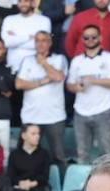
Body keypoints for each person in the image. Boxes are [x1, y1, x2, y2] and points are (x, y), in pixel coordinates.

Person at [67, 22, 110, 166]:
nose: (90, 40)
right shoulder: (77, 61)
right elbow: (69, 85)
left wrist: (94, 80)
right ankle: (84, 186)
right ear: (82, 40)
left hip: (104, 110)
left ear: (100, 38)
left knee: (106, 153)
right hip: (81, 111)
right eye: (86, 38)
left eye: (93, 37)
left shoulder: (109, 58)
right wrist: (76, 87)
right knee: (82, 153)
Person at [14, 30, 68, 165]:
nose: (40, 44)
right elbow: (19, 84)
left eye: (44, 40)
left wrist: (43, 63)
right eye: (37, 40)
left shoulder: (59, 59)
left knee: (58, 155)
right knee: (29, 154)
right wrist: (42, 81)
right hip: (31, 116)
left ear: (50, 43)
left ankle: (62, 185)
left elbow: (58, 77)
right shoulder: (27, 60)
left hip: (54, 117)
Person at [5, 121, 52, 191]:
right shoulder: (14, 154)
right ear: (24, 136)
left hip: (38, 188)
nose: (37, 136)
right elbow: (11, 176)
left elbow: (45, 177)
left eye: (38, 133)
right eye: (33, 134)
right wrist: (21, 183)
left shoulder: (44, 154)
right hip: (20, 187)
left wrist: (31, 184)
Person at [1, 0, 49, 71]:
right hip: (12, 66)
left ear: (33, 3)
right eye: (20, 1)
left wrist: (15, 39)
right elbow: (7, 42)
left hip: (36, 66)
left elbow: (42, 45)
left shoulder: (44, 20)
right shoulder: (9, 19)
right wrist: (29, 37)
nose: (22, 4)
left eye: (26, 1)